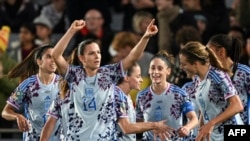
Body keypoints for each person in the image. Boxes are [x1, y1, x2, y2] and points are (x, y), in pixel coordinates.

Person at [49, 18, 165, 140]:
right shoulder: (74, 75)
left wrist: (146, 37)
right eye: (91, 53)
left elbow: (132, 57)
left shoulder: (108, 73)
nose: (97, 56)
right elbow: (56, 55)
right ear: (82, 58)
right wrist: (71, 31)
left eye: (98, 52)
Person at [179, 41, 244, 141]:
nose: (181, 67)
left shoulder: (217, 76)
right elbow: (203, 108)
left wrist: (211, 123)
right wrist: (201, 133)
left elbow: (237, 105)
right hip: (215, 135)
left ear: (195, 64)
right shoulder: (197, 79)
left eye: (184, 64)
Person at [1, 44, 62, 141]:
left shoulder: (63, 84)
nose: (53, 60)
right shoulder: (27, 85)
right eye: (49, 56)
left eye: (55, 56)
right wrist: (17, 116)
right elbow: (5, 112)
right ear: (39, 61)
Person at [136, 50, 198, 141]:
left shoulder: (179, 94)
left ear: (168, 71)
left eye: (160, 68)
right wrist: (151, 127)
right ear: (149, 70)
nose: (155, 72)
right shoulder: (141, 96)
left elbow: (194, 118)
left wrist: (187, 128)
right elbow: (138, 124)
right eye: (152, 68)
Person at [115, 62, 173, 141]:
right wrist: (155, 125)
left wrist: (149, 127)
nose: (141, 80)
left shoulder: (126, 96)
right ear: (126, 77)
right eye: (138, 76)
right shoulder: (118, 96)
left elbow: (131, 124)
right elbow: (126, 128)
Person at [206, 34, 250, 125]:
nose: (206, 56)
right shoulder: (210, 75)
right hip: (217, 132)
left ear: (221, 52)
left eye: (208, 52)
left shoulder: (244, 73)